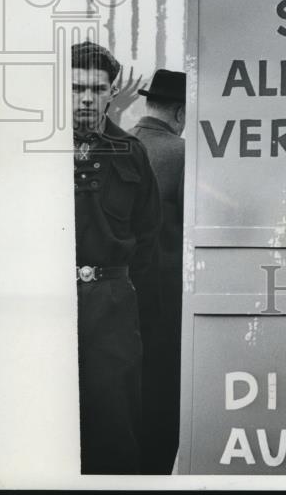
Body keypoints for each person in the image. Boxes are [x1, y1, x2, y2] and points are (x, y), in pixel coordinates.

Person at [72, 40, 161, 474]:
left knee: (114, 424)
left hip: (112, 307)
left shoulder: (132, 153)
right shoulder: (32, 154)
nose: (86, 98)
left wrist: (129, 309)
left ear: (111, 93)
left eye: (96, 88)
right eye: (75, 88)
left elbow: (148, 239)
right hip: (49, 305)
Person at [130, 69, 186, 474]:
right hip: (165, 307)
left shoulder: (120, 146)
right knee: (161, 407)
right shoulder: (181, 154)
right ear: (180, 113)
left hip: (117, 302)